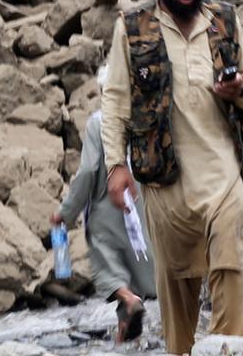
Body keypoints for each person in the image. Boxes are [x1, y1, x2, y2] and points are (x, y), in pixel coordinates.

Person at [101, 0, 243, 355]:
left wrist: (239, 88)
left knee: (230, 265)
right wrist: (116, 166)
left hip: (222, 172)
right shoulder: (132, 30)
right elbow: (115, 101)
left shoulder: (224, 22)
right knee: (177, 289)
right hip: (166, 181)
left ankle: (227, 350)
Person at [51, 71, 156, 342]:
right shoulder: (144, 121)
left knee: (109, 271)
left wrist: (66, 213)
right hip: (140, 210)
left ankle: (129, 301)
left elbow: (87, 171)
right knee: (135, 273)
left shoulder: (98, 123)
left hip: (106, 210)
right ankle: (126, 333)